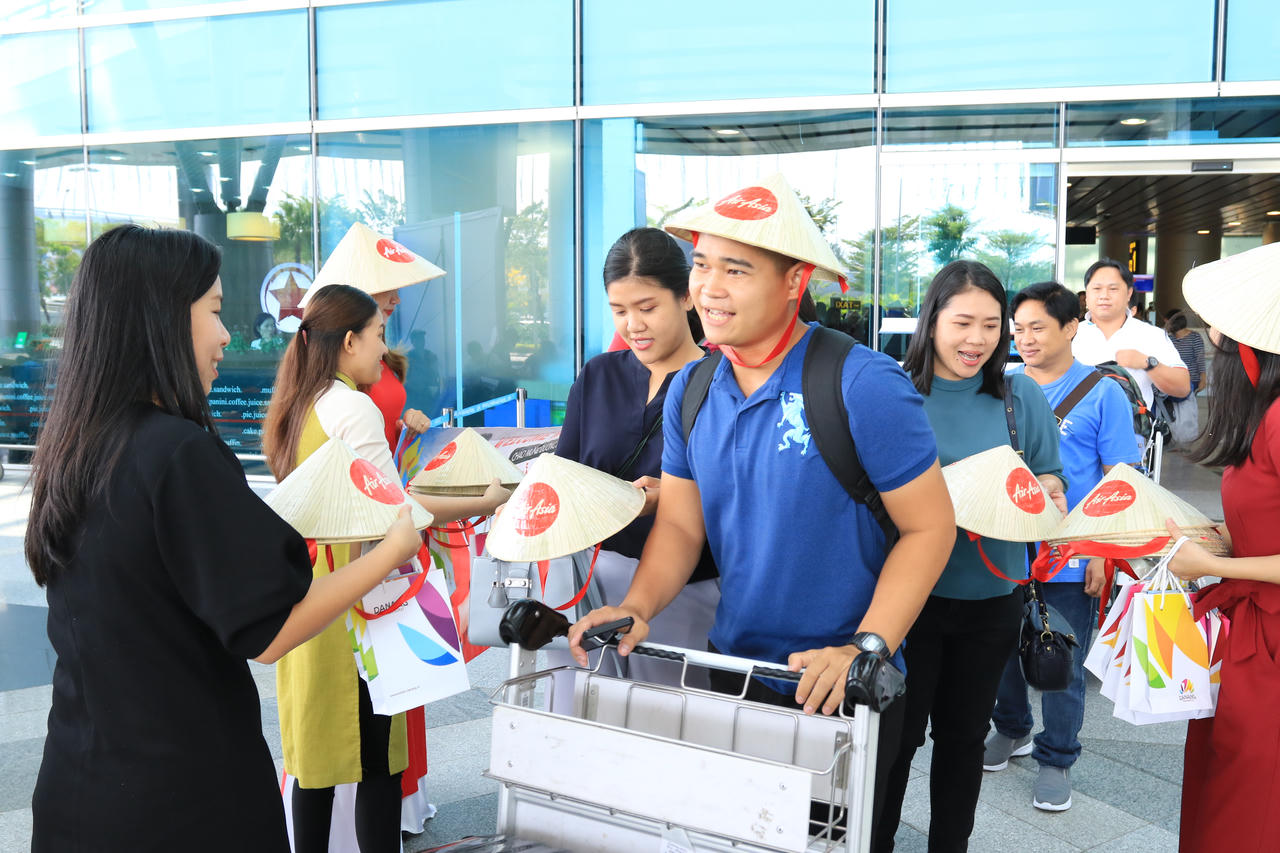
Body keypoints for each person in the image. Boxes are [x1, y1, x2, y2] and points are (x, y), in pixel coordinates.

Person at [568, 175, 957, 845]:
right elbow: (682, 524)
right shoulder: (694, 387)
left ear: (794, 281)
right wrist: (637, 605)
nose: (709, 288)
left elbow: (930, 527)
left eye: (736, 269)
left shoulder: (862, 382)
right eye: (702, 265)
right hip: (733, 669)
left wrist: (865, 648)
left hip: (840, 683)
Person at [27, 226, 420, 852]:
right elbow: (271, 631)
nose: (226, 335)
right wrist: (394, 550)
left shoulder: (74, 445)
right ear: (161, 320)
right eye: (213, 310)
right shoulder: (178, 452)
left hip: (79, 784)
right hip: (183, 795)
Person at [263, 285, 503, 853]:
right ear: (349, 341)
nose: (382, 347)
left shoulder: (300, 400)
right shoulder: (353, 407)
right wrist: (484, 499)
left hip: (308, 591)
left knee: (314, 763)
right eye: (377, 335)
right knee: (379, 760)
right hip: (361, 597)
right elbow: (396, 513)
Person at [877, 261, 1067, 852]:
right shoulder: (893, 392)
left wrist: (1048, 492)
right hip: (910, 600)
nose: (977, 339)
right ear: (932, 320)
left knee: (963, 741)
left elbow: (1049, 476)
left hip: (993, 596)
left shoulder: (1019, 395)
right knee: (896, 741)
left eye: (991, 325)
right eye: (963, 323)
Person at [986, 281, 1141, 811]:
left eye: (1037, 327)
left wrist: (1102, 550)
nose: (1025, 339)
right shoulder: (1002, 386)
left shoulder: (1102, 391)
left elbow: (1120, 480)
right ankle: (1011, 728)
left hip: (1070, 555)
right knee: (1002, 650)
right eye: (1018, 329)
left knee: (1061, 663)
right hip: (1006, 549)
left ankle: (1056, 757)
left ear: (1072, 327)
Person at [554, 227, 719, 688]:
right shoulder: (597, 375)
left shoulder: (720, 383)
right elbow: (564, 475)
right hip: (590, 578)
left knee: (670, 712)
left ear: (686, 297)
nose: (633, 325)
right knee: (585, 708)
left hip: (685, 588)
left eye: (647, 308)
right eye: (619, 311)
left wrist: (673, 497)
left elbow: (739, 493)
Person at [1163, 243, 1280, 852]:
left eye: (1221, 334)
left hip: (1270, 639)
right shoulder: (1268, 415)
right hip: (1253, 632)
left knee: (1249, 800)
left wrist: (1209, 562)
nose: (1211, 340)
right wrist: (1221, 537)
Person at [1073, 258, 1190, 409]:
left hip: (1132, 423)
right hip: (1075, 423)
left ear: (1129, 293)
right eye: (1096, 288)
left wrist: (1146, 363)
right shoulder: (1069, 334)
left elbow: (1182, 387)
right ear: (1086, 295)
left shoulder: (1151, 335)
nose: (1104, 295)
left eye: (1113, 289)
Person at [1165, 309, 1206, 394]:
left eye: (1167, 323)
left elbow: (1200, 360)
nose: (1165, 326)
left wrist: (1203, 380)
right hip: (1173, 381)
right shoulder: (1169, 339)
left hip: (1191, 380)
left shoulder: (1195, 337)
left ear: (1174, 323)